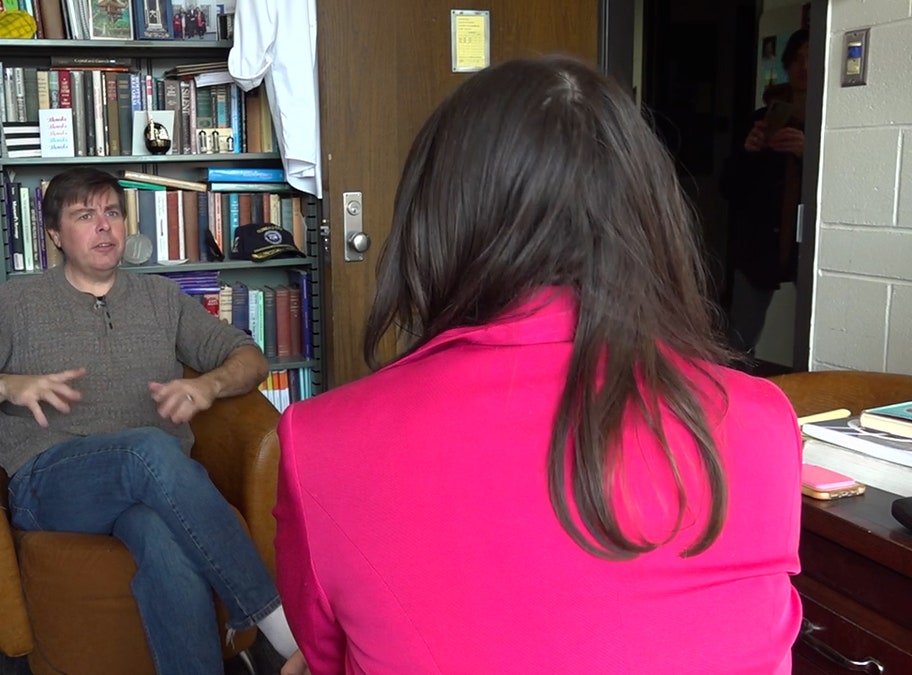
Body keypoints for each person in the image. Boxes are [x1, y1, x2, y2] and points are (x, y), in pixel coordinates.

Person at [273, 56, 802, 674]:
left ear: (437, 218)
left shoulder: (320, 441)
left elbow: (327, 653)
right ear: (648, 217)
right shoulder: (764, 420)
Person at [0, 167, 297, 675]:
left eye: (112, 214)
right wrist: (5, 385)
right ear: (55, 235)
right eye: (84, 216)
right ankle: (278, 625)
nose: (104, 227)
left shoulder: (162, 299)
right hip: (51, 484)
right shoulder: (18, 304)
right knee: (146, 449)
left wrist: (207, 385)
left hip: (152, 487)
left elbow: (247, 356)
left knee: (163, 543)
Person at [721, 29, 810, 354]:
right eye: (798, 58)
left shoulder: (829, 122)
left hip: (809, 243)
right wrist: (748, 151)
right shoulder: (762, 119)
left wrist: (808, 154)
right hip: (758, 243)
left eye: (813, 58)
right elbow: (729, 187)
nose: (804, 67)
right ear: (787, 64)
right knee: (741, 335)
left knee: (816, 330)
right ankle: (731, 396)